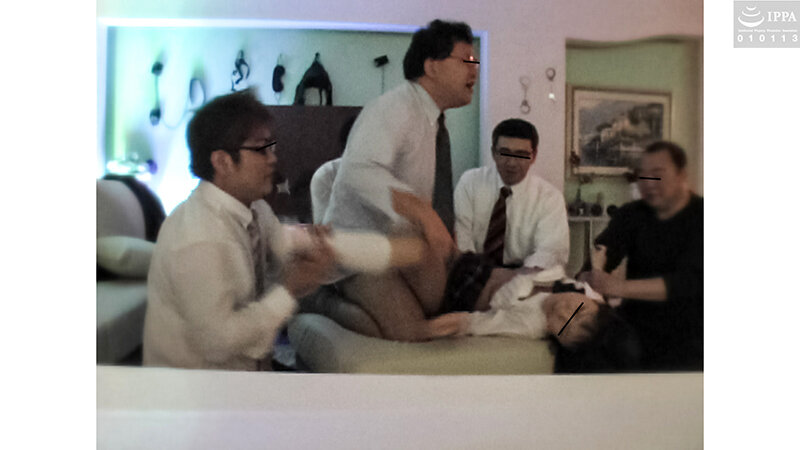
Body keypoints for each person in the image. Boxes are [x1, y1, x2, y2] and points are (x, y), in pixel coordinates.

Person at [143, 89, 339, 371]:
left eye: (272, 146)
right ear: (222, 162)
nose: (273, 158)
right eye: (261, 149)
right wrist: (289, 289)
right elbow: (218, 343)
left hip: (249, 370)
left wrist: (314, 246)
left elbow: (281, 242)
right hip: (198, 383)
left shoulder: (255, 207)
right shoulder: (199, 238)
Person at [319, 19, 479, 340]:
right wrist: (423, 213)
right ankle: (318, 299)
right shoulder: (395, 107)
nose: (474, 70)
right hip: (362, 250)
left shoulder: (433, 121)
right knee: (410, 331)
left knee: (439, 308)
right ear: (432, 66)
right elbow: (358, 171)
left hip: (405, 250)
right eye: (466, 60)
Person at [579, 141, 703, 371]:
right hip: (635, 326)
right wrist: (589, 279)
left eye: (657, 174)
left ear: (681, 175)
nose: (648, 183)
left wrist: (619, 287)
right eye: (642, 175)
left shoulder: (701, 216)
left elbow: (689, 283)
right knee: (576, 347)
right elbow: (602, 254)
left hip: (691, 331)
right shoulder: (631, 214)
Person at [454, 118, 569, 269]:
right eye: (504, 153)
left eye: (521, 155)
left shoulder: (550, 198)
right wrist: (480, 273)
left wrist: (514, 278)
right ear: (493, 153)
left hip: (525, 274)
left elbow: (550, 252)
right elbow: (461, 238)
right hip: (474, 270)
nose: (512, 163)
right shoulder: (470, 183)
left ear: (533, 156)